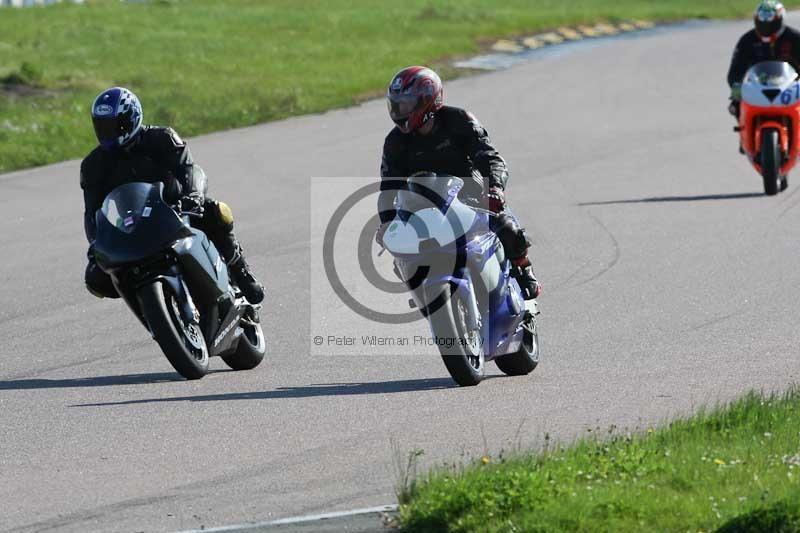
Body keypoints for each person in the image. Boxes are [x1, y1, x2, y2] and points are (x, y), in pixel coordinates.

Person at [80, 87, 264, 304]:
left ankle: (241, 273)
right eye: (102, 126)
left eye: (114, 125)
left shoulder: (162, 138)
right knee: (95, 278)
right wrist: (95, 241)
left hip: (175, 209)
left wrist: (193, 195)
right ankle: (149, 309)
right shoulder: (93, 165)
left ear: (132, 118)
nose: (108, 133)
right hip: (132, 226)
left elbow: (188, 169)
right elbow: (92, 212)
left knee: (215, 211)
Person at [377, 66, 541, 299]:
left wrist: (494, 188)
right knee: (401, 252)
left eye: (404, 105)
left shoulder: (459, 120)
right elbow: (388, 188)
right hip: (423, 207)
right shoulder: (395, 142)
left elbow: (489, 157)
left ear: (426, 101)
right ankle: (425, 294)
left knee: (507, 226)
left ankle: (523, 268)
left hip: (470, 197)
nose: (398, 111)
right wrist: (387, 221)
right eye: (395, 105)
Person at [727, 1, 800, 118]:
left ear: (781, 20)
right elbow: (736, 69)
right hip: (757, 88)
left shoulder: (794, 38)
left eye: (772, 24)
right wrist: (736, 86)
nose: (766, 28)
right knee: (735, 107)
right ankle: (746, 133)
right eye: (762, 23)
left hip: (789, 89)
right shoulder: (747, 40)